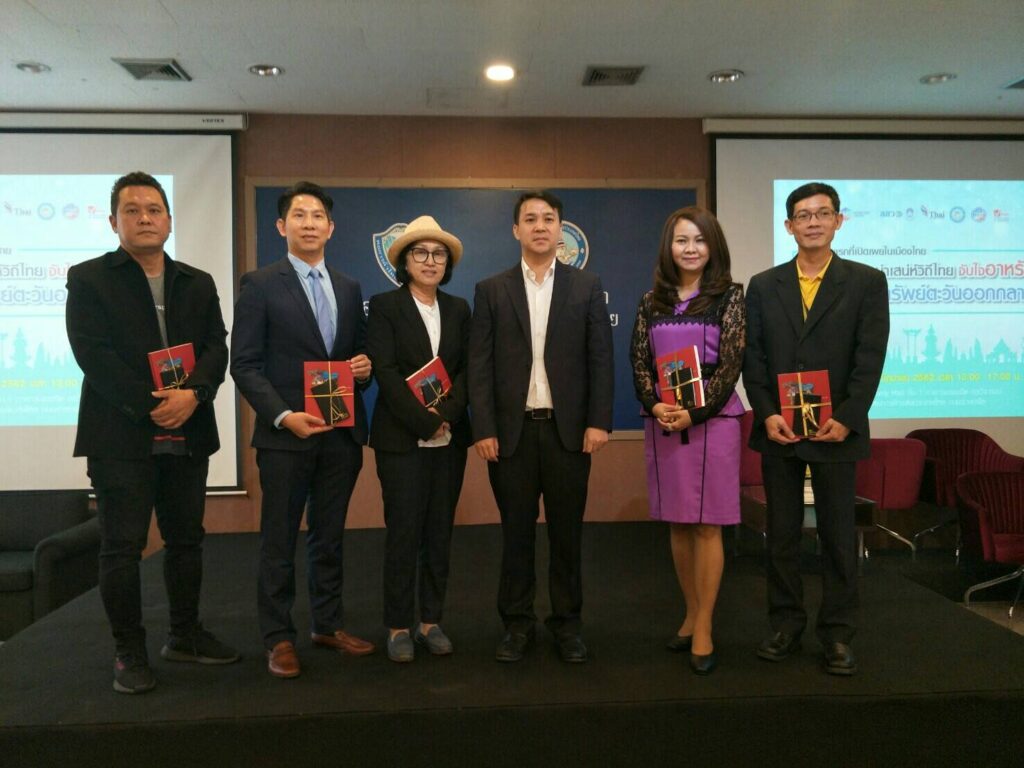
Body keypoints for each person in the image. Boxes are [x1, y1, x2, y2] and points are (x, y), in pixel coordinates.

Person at [66, 171, 239, 694]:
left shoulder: (197, 281)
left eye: (154, 209)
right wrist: (152, 406)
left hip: (189, 430)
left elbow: (216, 346)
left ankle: (184, 634)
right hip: (121, 436)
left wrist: (195, 394)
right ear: (113, 221)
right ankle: (129, 652)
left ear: (169, 219)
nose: (144, 218)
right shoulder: (89, 278)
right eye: (132, 210)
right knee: (122, 547)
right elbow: (92, 354)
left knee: (186, 540)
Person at [231, 181, 375, 679]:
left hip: (340, 435)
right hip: (285, 438)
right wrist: (282, 415)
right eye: (299, 215)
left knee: (329, 536)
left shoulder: (349, 286)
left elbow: (355, 357)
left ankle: (327, 625)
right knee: (279, 539)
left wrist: (363, 369)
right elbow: (244, 364)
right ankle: (278, 637)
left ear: (331, 228)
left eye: (317, 216)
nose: (309, 223)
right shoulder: (259, 283)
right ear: (281, 226)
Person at [744, 182, 889, 676]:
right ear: (788, 226)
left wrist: (846, 417)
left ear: (838, 221)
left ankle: (838, 634)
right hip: (779, 429)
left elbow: (870, 359)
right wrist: (766, 412)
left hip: (836, 430)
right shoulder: (764, 285)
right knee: (782, 536)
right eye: (803, 215)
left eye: (822, 213)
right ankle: (785, 625)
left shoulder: (866, 282)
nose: (813, 222)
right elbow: (754, 358)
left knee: (838, 536)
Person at [468, 190, 614, 664]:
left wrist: (598, 422)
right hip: (510, 435)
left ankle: (567, 625)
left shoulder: (586, 285)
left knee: (567, 535)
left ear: (560, 229)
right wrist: (483, 427)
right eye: (529, 219)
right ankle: (516, 625)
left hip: (567, 434)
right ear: (516, 230)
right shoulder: (491, 289)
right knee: (516, 535)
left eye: (548, 219)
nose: (539, 226)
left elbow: (600, 359)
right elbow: (479, 365)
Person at [629, 207, 746, 675]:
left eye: (699, 240)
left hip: (714, 422)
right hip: (664, 420)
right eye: (682, 240)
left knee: (707, 525)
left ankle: (705, 627)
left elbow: (731, 363)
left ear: (712, 246)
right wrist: (656, 405)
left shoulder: (730, 297)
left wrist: (694, 412)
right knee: (678, 523)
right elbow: (639, 361)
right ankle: (691, 613)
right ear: (669, 246)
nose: (691, 248)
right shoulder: (650, 301)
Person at [367, 215, 471, 663]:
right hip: (401, 440)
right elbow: (385, 372)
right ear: (405, 262)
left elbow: (468, 369)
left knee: (439, 532)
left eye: (438, 254)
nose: (430, 261)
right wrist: (423, 421)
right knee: (404, 532)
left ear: (447, 263)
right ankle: (397, 626)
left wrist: (444, 416)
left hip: (450, 439)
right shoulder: (384, 306)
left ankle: (430, 621)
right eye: (421, 253)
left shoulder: (459, 309)